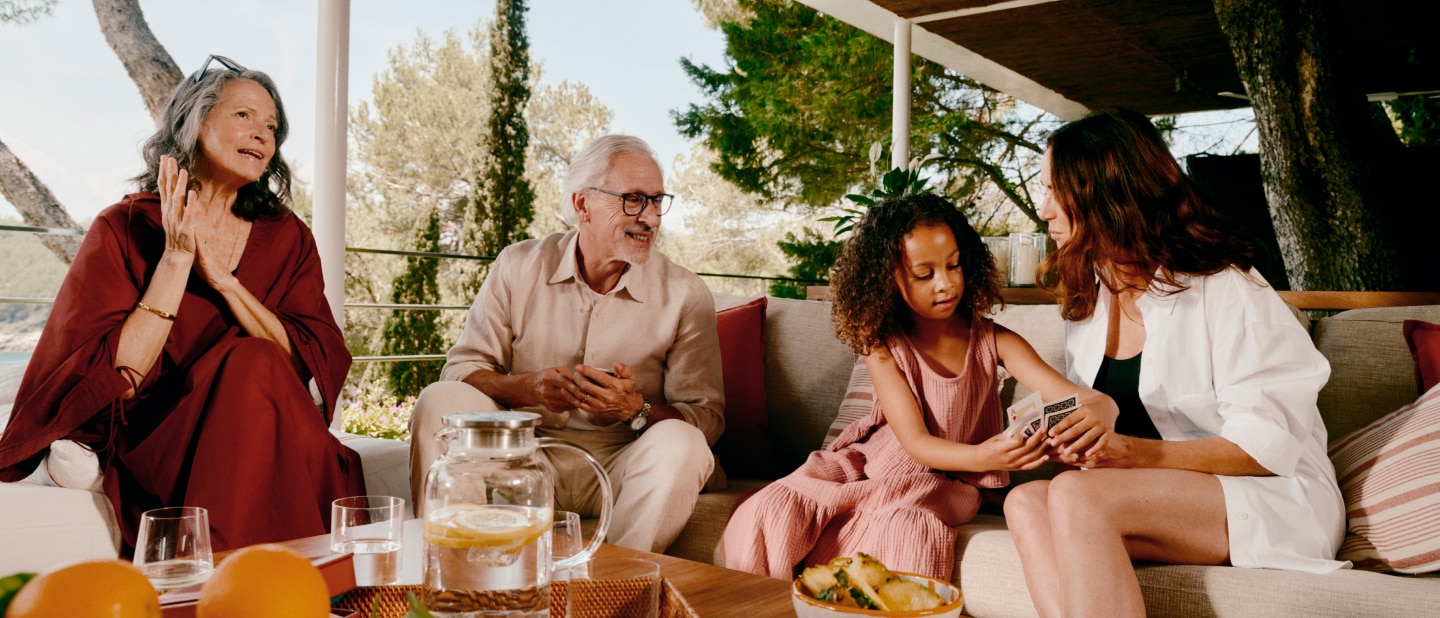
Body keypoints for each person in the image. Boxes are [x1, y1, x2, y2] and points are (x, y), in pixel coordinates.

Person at [0, 55, 365, 551]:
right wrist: (176, 259)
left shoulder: (289, 237)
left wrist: (225, 282)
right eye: (243, 116)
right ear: (194, 123)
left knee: (256, 362)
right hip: (166, 434)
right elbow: (117, 378)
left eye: (272, 125)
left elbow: (307, 364)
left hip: (273, 420)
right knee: (253, 360)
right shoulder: (123, 226)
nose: (261, 133)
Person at [1004, 109, 1347, 617]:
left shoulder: (1229, 288)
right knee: (1026, 503)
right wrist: (1060, 441)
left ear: (1108, 193)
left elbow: (1265, 446)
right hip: (1152, 495)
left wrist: (1131, 455)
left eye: (1056, 191)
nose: (1044, 209)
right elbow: (1099, 423)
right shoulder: (1090, 297)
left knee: (1077, 495)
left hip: (1268, 496)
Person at [720, 193, 1117, 581]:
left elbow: (1073, 398)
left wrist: (1102, 407)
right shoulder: (882, 345)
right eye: (924, 274)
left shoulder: (998, 341)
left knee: (902, 528)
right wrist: (986, 455)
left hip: (941, 482)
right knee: (775, 504)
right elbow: (914, 441)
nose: (945, 284)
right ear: (886, 279)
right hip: (866, 464)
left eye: (954, 266)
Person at [407, 134, 724, 553]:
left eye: (656, 200)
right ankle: (455, 579)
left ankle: (617, 592)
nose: (650, 218)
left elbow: (707, 420)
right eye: (633, 199)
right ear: (581, 205)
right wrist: (527, 387)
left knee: (682, 443)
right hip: (521, 458)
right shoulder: (517, 266)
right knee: (439, 400)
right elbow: (461, 372)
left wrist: (636, 409)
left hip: (621, 466)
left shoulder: (686, 294)